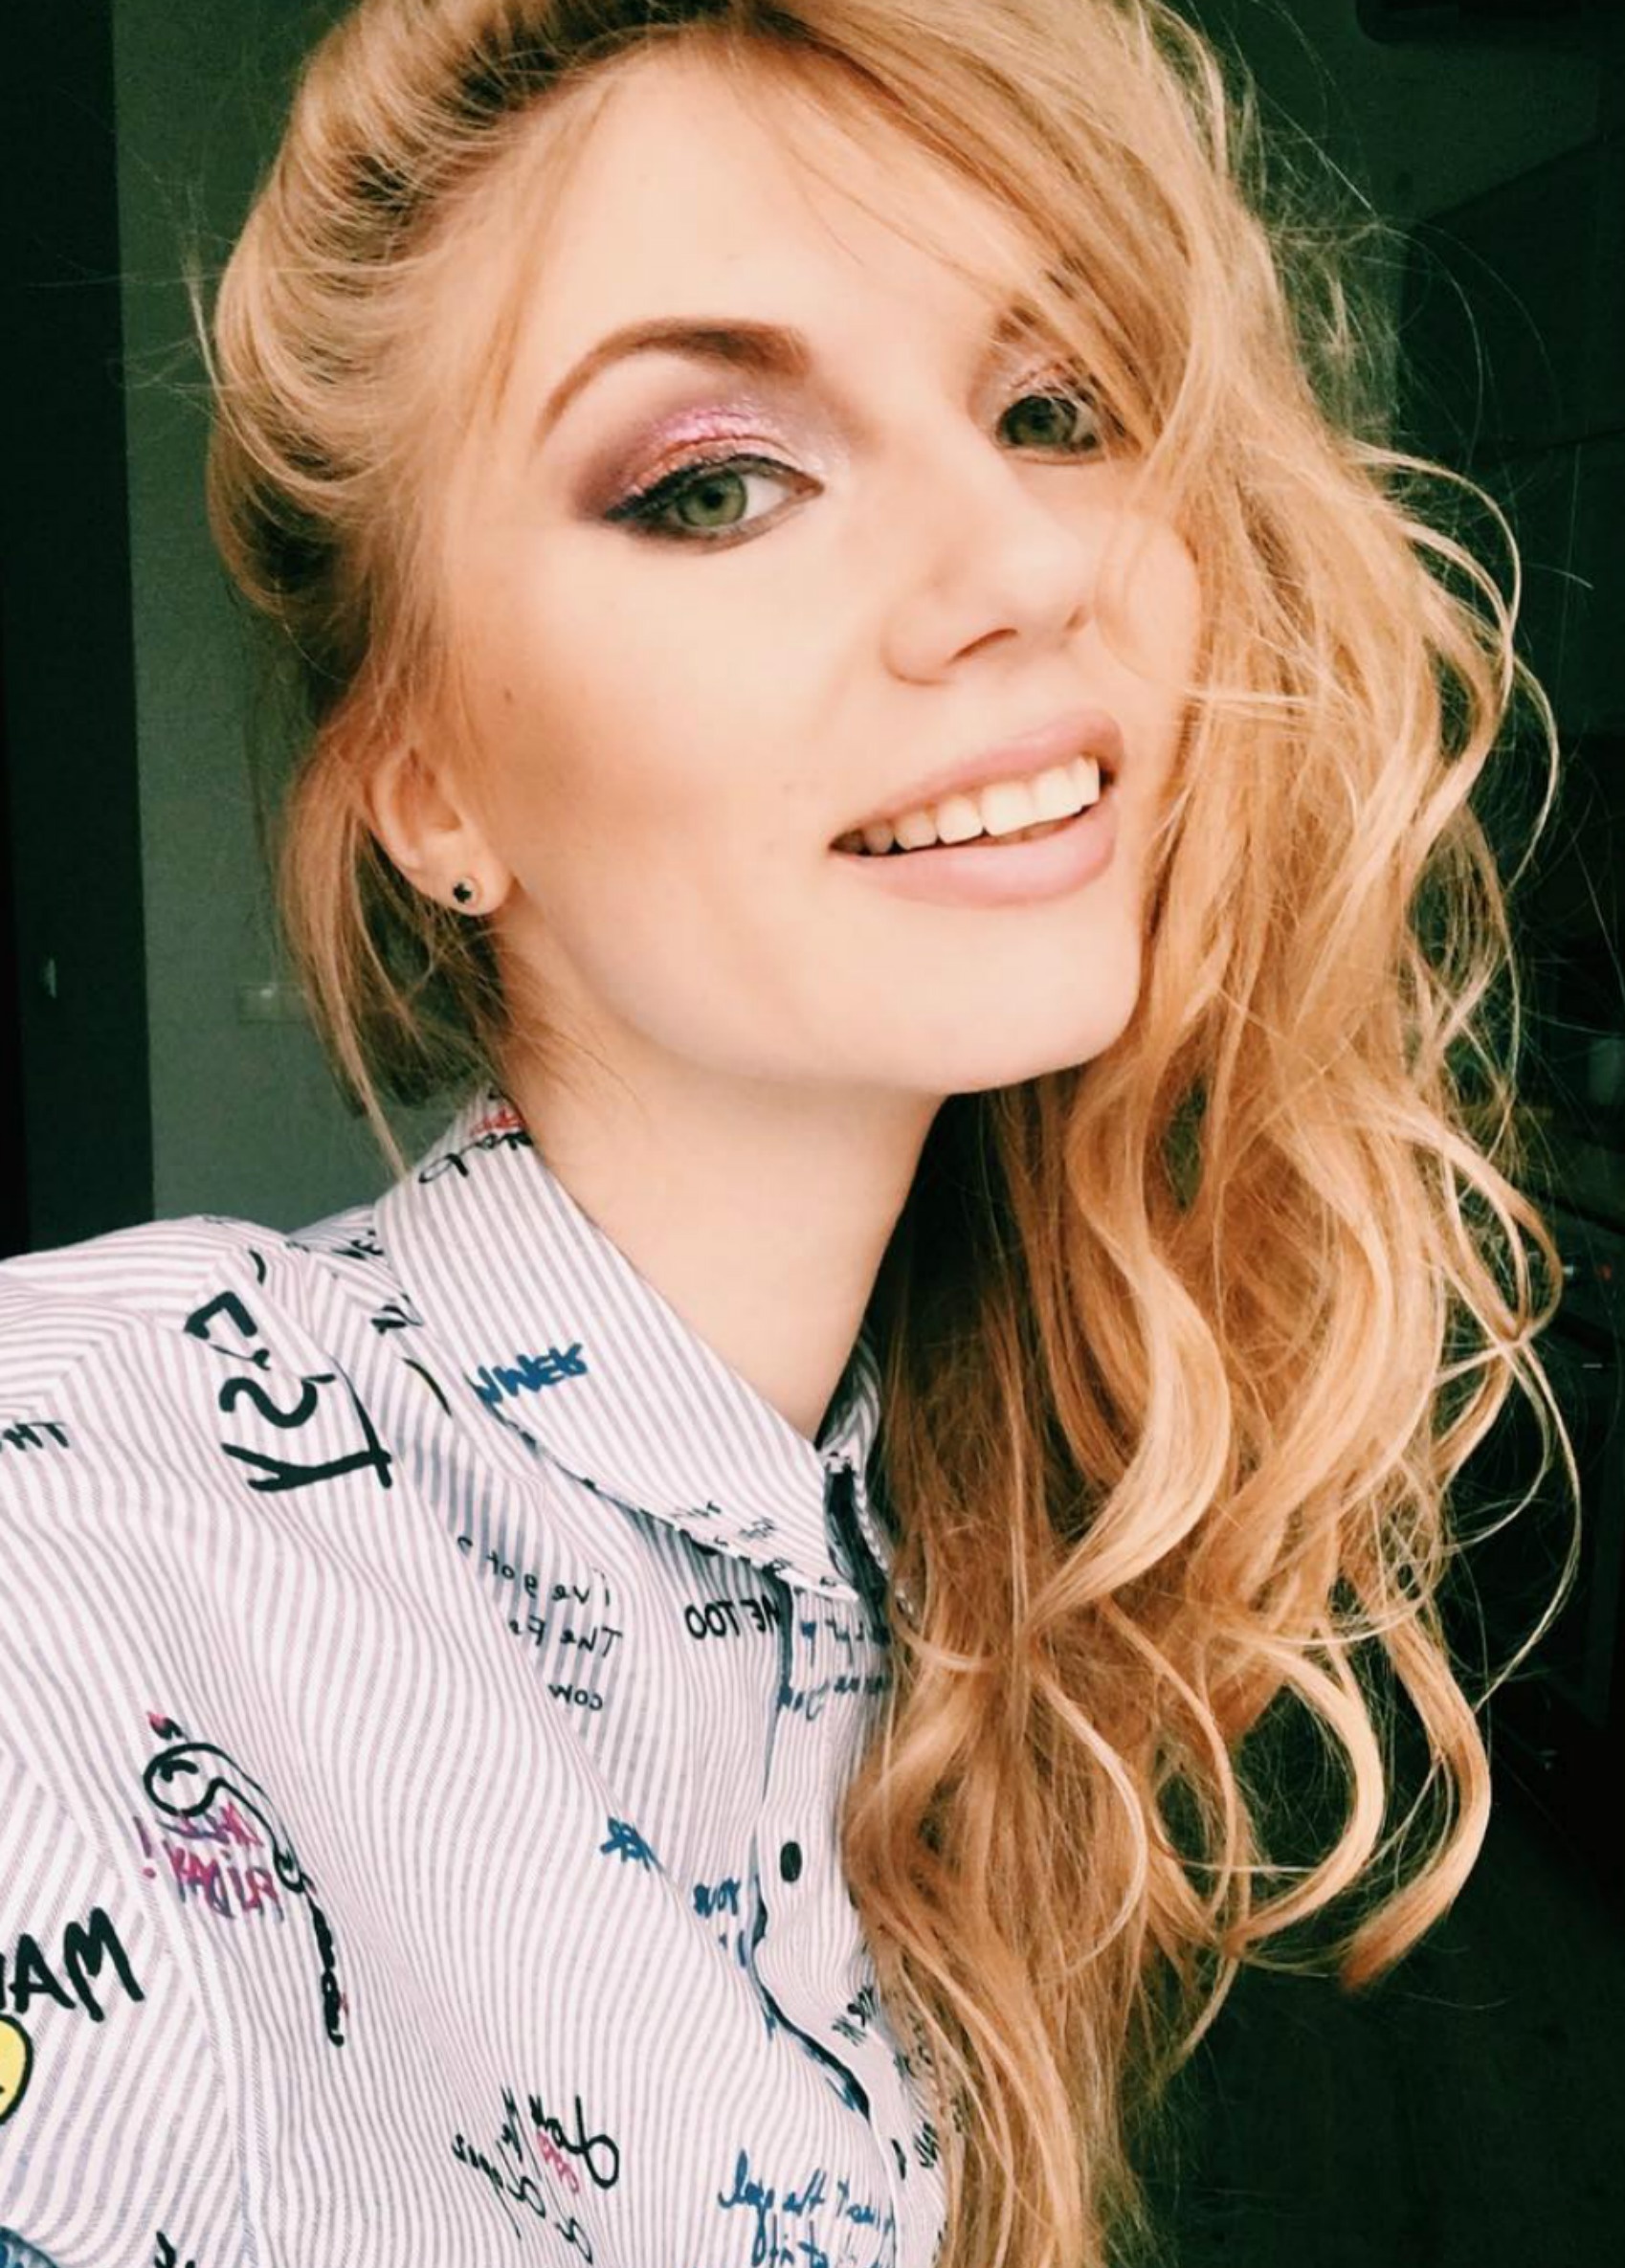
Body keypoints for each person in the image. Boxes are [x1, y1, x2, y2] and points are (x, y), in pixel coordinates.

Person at [0, 3, 1570, 2264]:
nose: (1019, 565)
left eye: (1053, 409)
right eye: (716, 482)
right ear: (431, 785)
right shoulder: (93, 1534)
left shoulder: (1010, 1548)